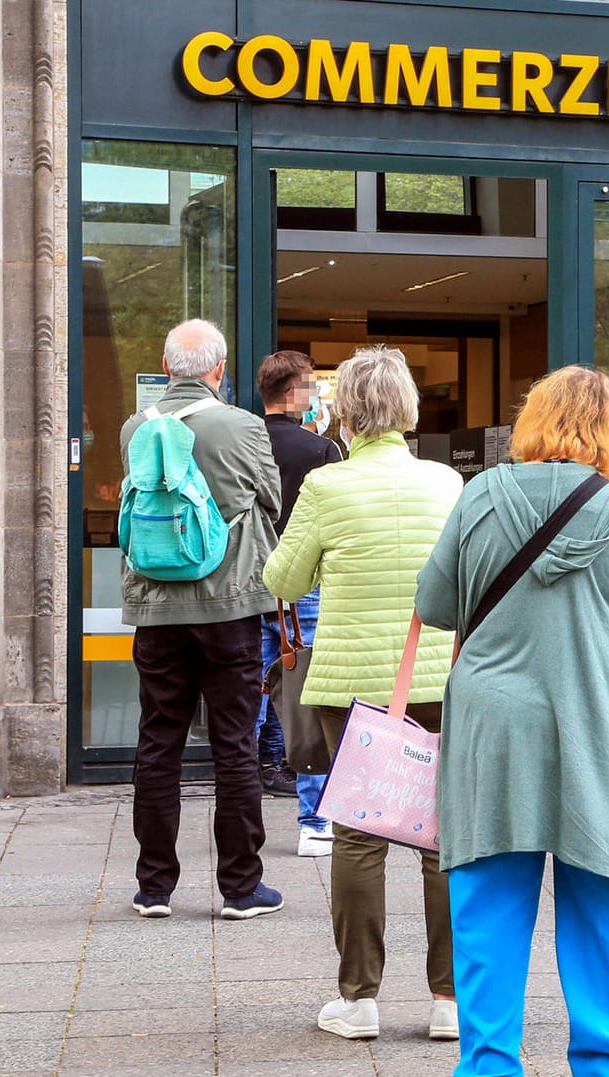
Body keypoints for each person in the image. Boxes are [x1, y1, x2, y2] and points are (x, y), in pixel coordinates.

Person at [416, 367, 609, 1077]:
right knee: (607, 901)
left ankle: (487, 1063)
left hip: (493, 734)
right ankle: (606, 1063)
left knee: (487, 911)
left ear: (532, 421)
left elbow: (437, 601)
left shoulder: (480, 495)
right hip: (597, 728)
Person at [264, 345, 463, 1042]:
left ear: (344, 411)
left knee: (357, 834)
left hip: (352, 686)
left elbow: (283, 582)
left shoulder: (327, 487)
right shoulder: (447, 483)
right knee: (442, 839)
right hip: (440, 676)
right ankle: (449, 999)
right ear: (406, 407)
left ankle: (359, 996)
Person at [119, 319, 284, 922]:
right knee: (234, 743)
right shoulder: (243, 426)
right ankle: (241, 887)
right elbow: (272, 500)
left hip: (157, 608)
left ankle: (154, 886)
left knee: (158, 739)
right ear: (217, 371)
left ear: (167, 369)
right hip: (230, 606)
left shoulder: (136, 427)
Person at [254, 350, 343, 858]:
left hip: (248, 583)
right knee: (306, 694)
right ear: (295, 393)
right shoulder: (320, 450)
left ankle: (241, 807)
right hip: (303, 584)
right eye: (310, 388)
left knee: (254, 693)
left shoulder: (245, 443)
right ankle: (313, 819)